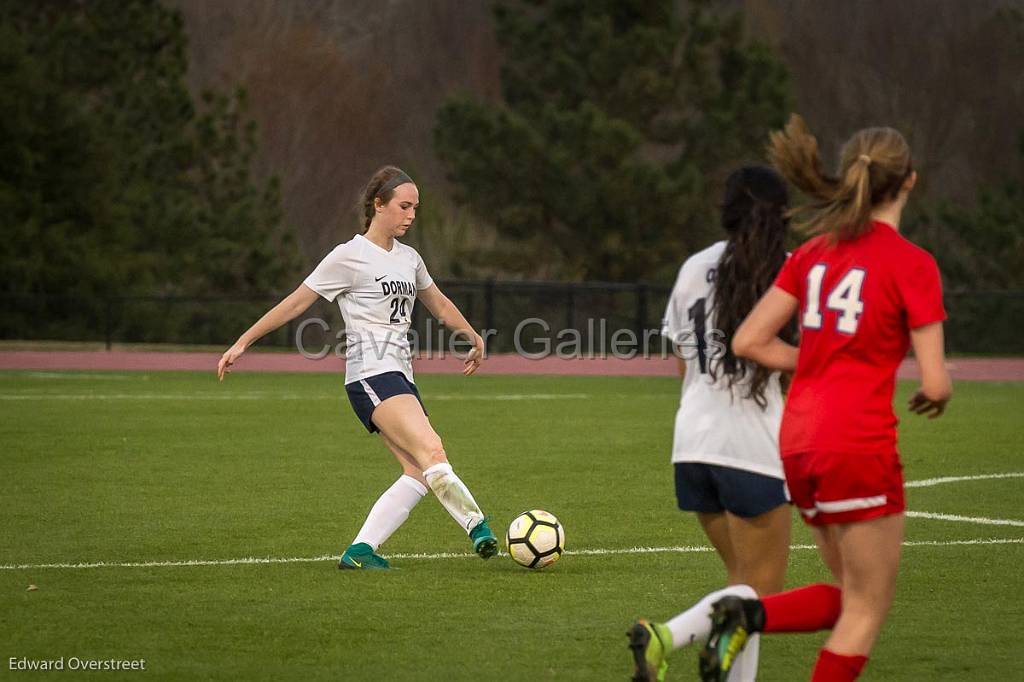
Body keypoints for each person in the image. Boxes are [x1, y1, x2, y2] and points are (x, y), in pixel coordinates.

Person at [699, 115, 952, 682]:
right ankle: (749, 611)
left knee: (848, 597)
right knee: (867, 607)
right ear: (908, 181)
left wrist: (818, 358)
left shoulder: (813, 253)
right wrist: (935, 389)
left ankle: (747, 611)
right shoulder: (912, 264)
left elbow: (748, 340)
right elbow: (934, 383)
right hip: (857, 443)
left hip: (799, 442)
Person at [217, 165, 498, 569]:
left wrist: (472, 335)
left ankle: (360, 552)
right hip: (370, 373)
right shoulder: (349, 256)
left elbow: (437, 303)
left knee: (419, 472)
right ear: (378, 205)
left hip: (399, 375)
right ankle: (478, 527)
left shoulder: (410, 259)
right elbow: (297, 302)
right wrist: (244, 340)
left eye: (416, 208)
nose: (411, 215)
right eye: (404, 206)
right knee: (432, 450)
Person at [628, 166, 794, 682]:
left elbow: (682, 357)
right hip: (750, 443)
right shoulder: (786, 269)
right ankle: (666, 637)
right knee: (759, 598)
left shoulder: (695, 266)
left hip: (692, 442)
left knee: (740, 587)